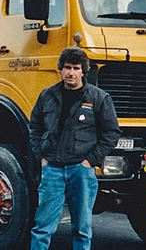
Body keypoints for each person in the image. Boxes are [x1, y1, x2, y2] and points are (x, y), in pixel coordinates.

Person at [29, 46, 120, 250]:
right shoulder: (47, 96)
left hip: (81, 172)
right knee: (42, 227)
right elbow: (34, 127)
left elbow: (111, 133)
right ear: (60, 69)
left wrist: (89, 161)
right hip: (52, 169)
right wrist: (41, 157)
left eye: (76, 68)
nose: (71, 72)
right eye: (67, 67)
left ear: (83, 71)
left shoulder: (98, 98)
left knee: (82, 228)